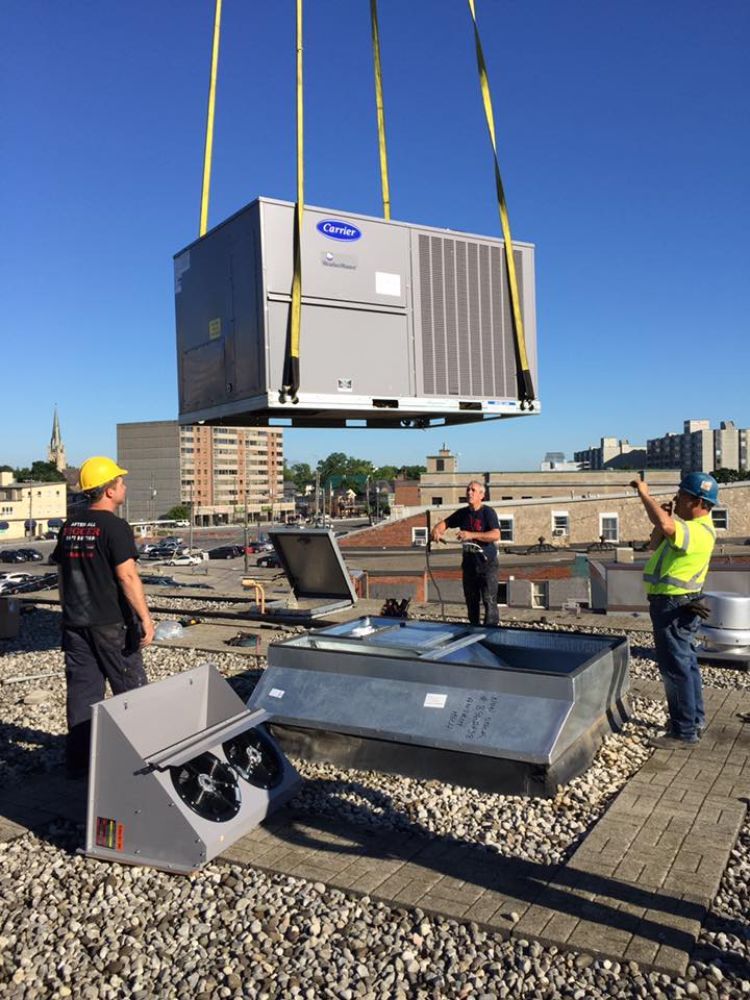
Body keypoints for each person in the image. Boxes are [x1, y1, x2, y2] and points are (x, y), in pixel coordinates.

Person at [52, 456, 155, 778]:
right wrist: (146, 619)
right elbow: (127, 577)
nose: (124, 486)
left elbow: (63, 572)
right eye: (120, 482)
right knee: (132, 692)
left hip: (75, 624)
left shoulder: (70, 526)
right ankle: (143, 761)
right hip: (111, 624)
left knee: (83, 694)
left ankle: (80, 765)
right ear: (109, 491)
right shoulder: (114, 526)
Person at [631, 472, 718, 749]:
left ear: (697, 501)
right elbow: (655, 542)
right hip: (679, 603)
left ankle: (683, 732)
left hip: (673, 605)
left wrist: (645, 494)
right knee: (687, 664)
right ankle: (694, 721)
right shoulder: (690, 529)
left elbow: (667, 529)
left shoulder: (698, 532)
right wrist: (665, 517)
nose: (676, 500)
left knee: (675, 669)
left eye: (681, 496)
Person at [430, 480, 500, 626]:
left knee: (489, 600)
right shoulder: (463, 513)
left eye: (473, 490)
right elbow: (445, 523)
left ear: (481, 495)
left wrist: (471, 535)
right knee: (471, 600)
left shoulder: (488, 512)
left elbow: (495, 535)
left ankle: (490, 632)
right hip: (469, 564)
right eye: (468, 490)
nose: (469, 493)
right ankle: (474, 629)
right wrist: (436, 530)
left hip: (487, 563)